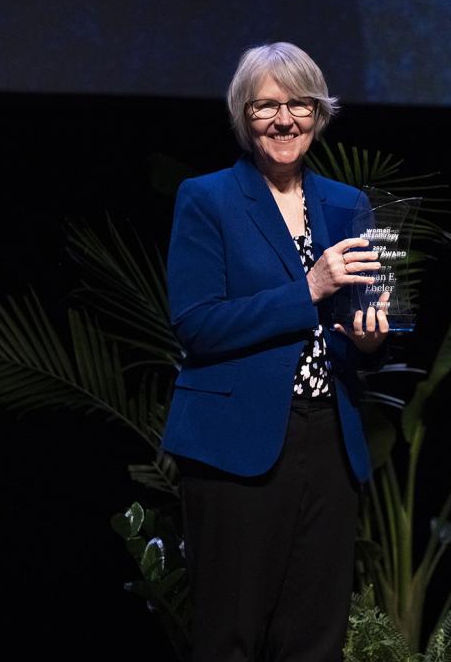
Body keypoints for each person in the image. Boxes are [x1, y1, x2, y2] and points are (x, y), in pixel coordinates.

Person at [162, 41, 388, 661]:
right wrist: (308, 289)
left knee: (315, 636)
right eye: (266, 106)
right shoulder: (207, 198)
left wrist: (370, 338)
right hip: (238, 442)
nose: (284, 119)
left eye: (299, 104)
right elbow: (197, 324)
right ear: (243, 114)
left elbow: (359, 321)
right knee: (230, 633)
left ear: (318, 113)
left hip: (328, 438)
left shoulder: (347, 204)